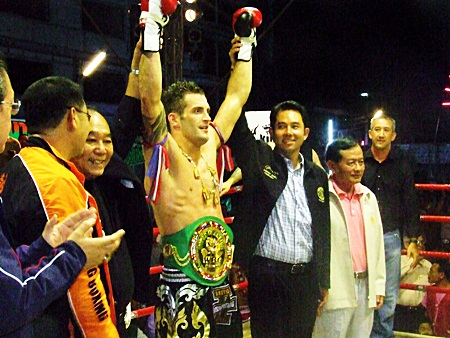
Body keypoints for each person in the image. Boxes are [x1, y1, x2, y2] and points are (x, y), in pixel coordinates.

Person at [138, 1, 260, 337]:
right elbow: (149, 104)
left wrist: (246, 44)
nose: (208, 116)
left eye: (207, 109)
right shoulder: (163, 152)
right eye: (197, 111)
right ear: (174, 119)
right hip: (182, 284)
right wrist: (151, 26)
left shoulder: (209, 149)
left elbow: (236, 98)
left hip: (220, 283)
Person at [0, 55, 125, 337]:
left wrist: (44, 246)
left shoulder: (21, 164)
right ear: (72, 117)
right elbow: (83, 286)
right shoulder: (55, 179)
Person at [226, 100, 331, 338]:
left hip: (305, 279)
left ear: (305, 132)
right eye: (281, 126)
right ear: (271, 132)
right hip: (267, 276)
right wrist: (239, 67)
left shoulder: (317, 176)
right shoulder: (259, 160)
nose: (288, 132)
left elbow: (323, 230)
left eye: (295, 126)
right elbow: (238, 129)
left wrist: (323, 278)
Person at [71, 38, 153, 337]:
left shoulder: (109, 168)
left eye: (106, 141)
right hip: (87, 319)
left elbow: (127, 115)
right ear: (73, 137)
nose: (102, 148)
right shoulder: (64, 183)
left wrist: (138, 61)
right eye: (91, 140)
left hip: (123, 311)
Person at [312, 137, 385, 338]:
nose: (358, 168)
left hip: (365, 286)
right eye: (350, 162)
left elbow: (377, 245)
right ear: (332, 166)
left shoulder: (368, 196)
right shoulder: (320, 197)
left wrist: (378, 285)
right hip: (334, 288)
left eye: (361, 162)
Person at [361, 113, 422, 338]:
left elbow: (410, 201)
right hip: (361, 237)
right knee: (361, 291)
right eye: (377, 129)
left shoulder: (402, 165)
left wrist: (413, 239)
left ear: (393, 135)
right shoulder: (360, 162)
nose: (381, 134)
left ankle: (383, 335)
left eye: (386, 130)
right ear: (369, 134)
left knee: (388, 295)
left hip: (390, 237)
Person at [394, 236, 431, 333]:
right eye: (417, 243)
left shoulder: (428, 265)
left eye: (422, 242)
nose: (421, 245)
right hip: (400, 310)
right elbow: (393, 278)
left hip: (419, 312)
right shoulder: (400, 259)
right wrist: (412, 263)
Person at [422, 260, 450, 337]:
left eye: (432, 271)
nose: (428, 274)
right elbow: (424, 312)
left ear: (441, 275)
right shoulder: (430, 290)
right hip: (433, 334)